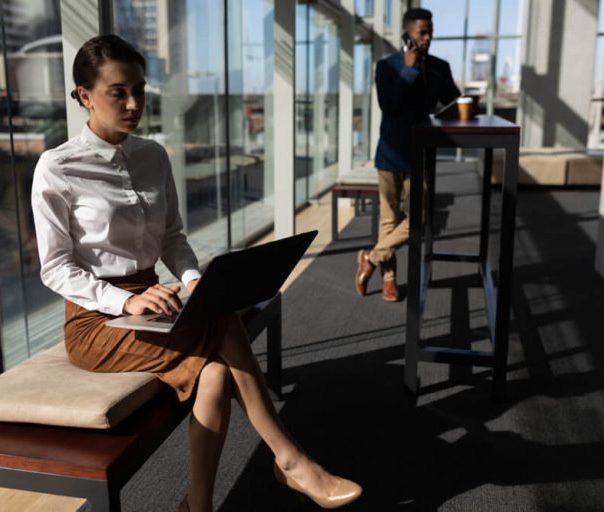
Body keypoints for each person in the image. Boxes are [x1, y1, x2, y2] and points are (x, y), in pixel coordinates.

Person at [31, 35, 361, 512]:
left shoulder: (153, 155)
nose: (132, 104)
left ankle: (197, 505)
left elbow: (171, 238)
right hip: (96, 319)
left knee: (213, 376)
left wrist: (190, 281)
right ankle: (289, 460)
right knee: (223, 320)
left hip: (156, 298)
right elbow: (56, 268)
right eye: (117, 92)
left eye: (140, 91)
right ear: (84, 94)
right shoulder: (57, 168)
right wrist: (124, 301)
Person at [355, 7, 461, 301]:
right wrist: (409, 68)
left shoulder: (440, 66)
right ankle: (389, 280)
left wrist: (460, 105)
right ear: (407, 33)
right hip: (390, 152)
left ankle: (371, 258)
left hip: (420, 153)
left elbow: (452, 102)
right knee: (388, 220)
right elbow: (389, 106)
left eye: (430, 32)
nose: (427, 38)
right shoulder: (387, 66)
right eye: (422, 33)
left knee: (419, 218)